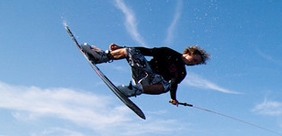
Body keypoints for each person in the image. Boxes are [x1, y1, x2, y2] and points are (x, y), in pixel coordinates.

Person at [80, 43, 209, 105]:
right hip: (143, 71)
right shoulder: (168, 52)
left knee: (167, 85)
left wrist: (173, 97)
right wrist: (122, 48)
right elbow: (147, 51)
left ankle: (133, 90)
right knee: (131, 50)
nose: (194, 64)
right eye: (195, 60)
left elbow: (174, 84)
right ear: (189, 53)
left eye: (196, 64)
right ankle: (102, 56)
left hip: (151, 83)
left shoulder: (182, 73)